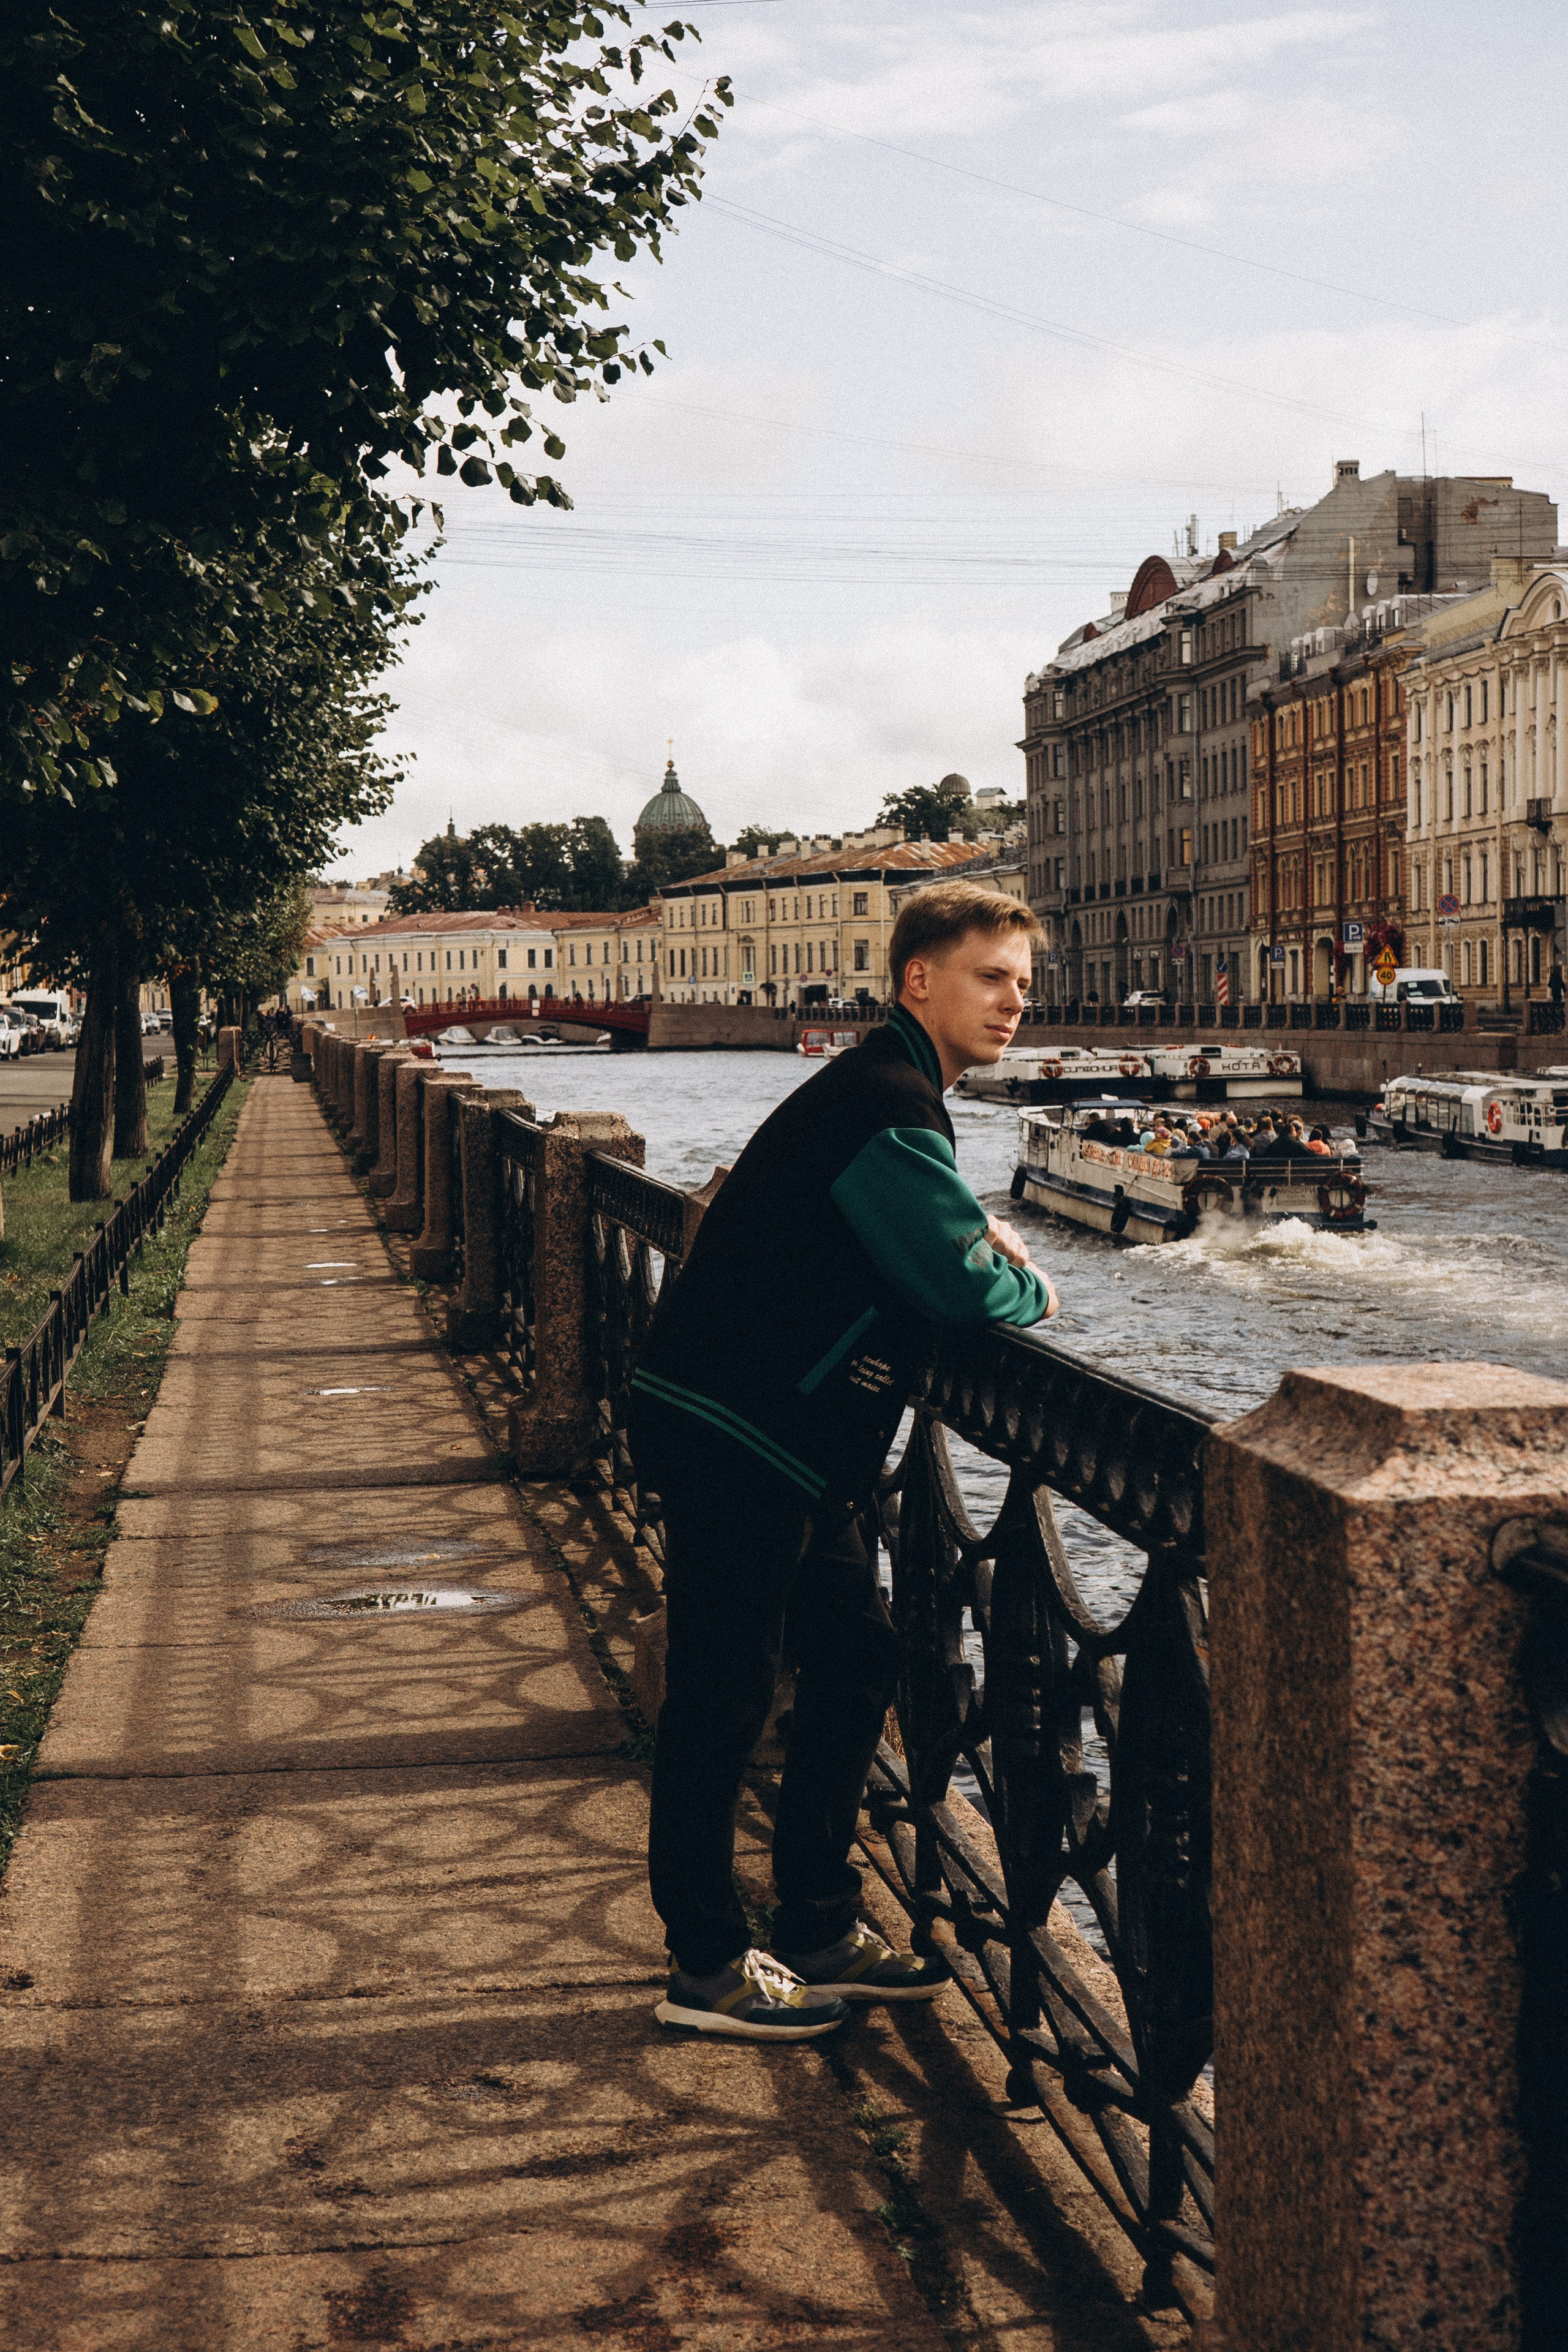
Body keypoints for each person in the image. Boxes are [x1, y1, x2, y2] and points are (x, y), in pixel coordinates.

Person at [628, 881, 1059, 2041]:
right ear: (921, 980)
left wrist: (965, 1228)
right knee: (723, 1690)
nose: (1015, 1000)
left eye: (1024, 981)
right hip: (744, 1429)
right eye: (991, 977)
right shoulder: (886, 1099)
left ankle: (816, 1922)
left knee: (858, 1661)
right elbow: (959, 1281)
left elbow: (915, 1233)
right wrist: (1028, 1276)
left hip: (782, 1434)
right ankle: (709, 1964)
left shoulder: (890, 1090)